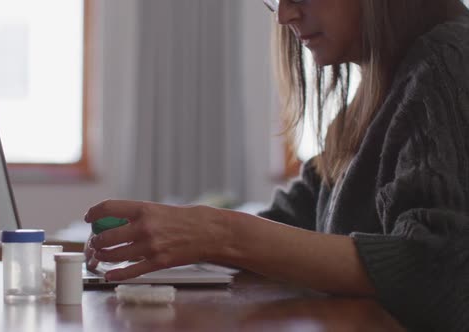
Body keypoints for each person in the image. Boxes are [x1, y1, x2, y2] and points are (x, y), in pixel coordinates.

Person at [84, 0, 469, 330]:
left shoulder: (449, 58)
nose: (283, 15)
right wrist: (175, 237)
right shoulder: (375, 94)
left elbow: (436, 266)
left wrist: (218, 233)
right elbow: (295, 219)